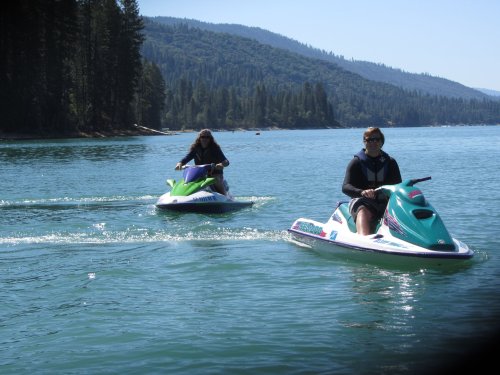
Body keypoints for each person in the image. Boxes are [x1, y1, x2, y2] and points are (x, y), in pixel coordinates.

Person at [342, 127, 402, 236]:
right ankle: (363, 239)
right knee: (363, 210)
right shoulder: (356, 163)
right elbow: (345, 187)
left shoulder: (390, 162)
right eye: (369, 140)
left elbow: (398, 187)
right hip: (362, 202)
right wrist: (362, 192)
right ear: (364, 142)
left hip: (386, 204)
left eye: (376, 139)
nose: (373, 142)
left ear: (381, 142)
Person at [175, 129, 230, 195]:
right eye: (203, 137)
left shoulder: (215, 148)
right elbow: (187, 157)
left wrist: (221, 164)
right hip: (200, 174)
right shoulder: (195, 148)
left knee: (216, 180)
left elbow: (226, 161)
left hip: (214, 174)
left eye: (207, 137)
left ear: (210, 139)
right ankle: (182, 195)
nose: (205, 139)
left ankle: (225, 196)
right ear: (199, 138)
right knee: (187, 182)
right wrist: (180, 163)